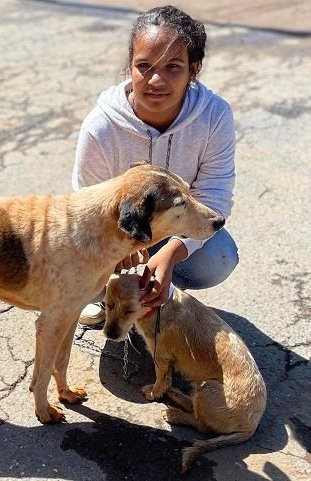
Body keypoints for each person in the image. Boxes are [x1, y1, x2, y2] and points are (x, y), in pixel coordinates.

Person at [73, 5, 238, 325]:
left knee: (218, 258)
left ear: (194, 69)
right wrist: (118, 245)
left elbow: (215, 197)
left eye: (173, 66)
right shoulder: (101, 127)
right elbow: (86, 204)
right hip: (117, 228)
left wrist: (172, 252)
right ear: (129, 66)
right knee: (75, 249)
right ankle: (106, 292)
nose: (156, 80)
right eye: (144, 65)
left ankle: (161, 285)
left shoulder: (215, 116)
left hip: (175, 225)